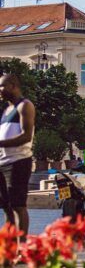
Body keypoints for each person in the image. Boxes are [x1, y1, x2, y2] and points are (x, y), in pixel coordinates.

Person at [0, 72, 35, 235]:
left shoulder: (24, 105)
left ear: (12, 86)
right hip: (4, 162)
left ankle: (22, 248)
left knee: (18, 206)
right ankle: (10, 245)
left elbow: (26, 136)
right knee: (6, 207)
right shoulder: (7, 110)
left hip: (19, 161)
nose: (0, 89)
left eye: (2, 86)